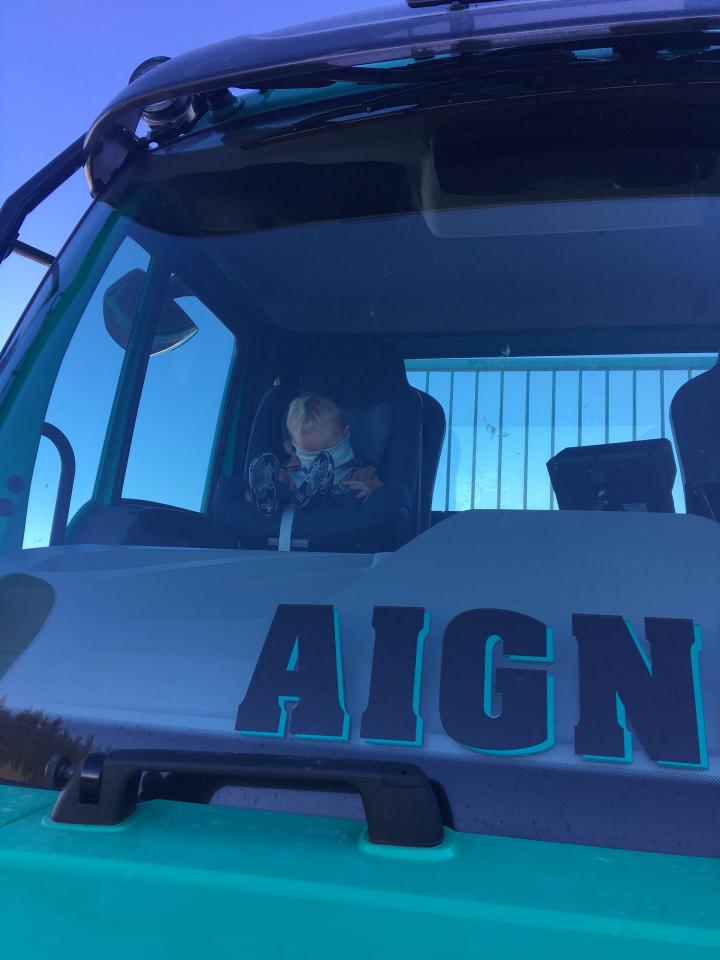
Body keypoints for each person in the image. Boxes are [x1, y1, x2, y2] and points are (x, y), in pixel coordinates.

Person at [247, 393, 383, 517]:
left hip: (337, 505)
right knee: (280, 478)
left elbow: (381, 490)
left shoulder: (362, 471)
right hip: (296, 495)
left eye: (329, 449)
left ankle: (321, 494)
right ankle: (266, 496)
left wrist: (372, 489)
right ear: (294, 447)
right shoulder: (291, 469)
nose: (321, 459)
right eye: (310, 454)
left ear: (346, 434)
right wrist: (254, 492)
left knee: (350, 491)